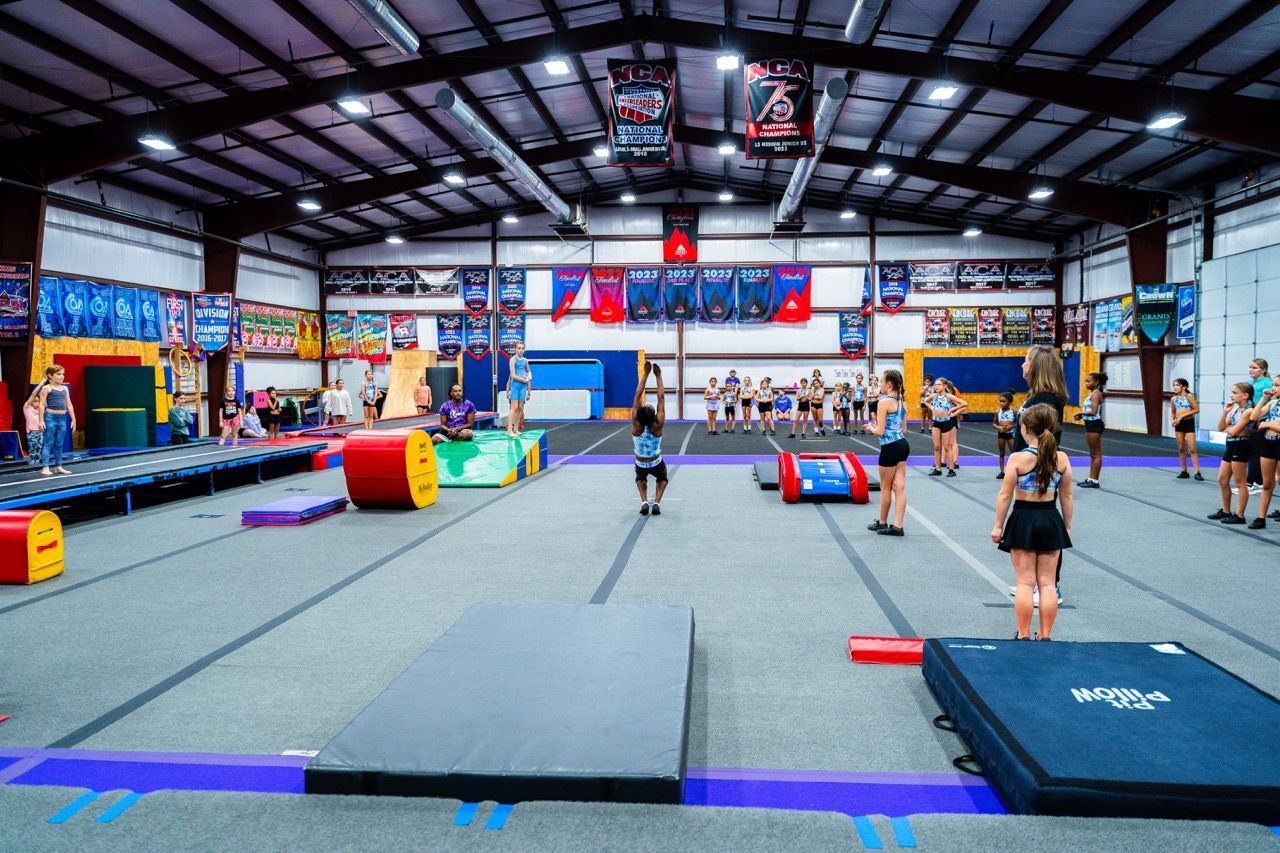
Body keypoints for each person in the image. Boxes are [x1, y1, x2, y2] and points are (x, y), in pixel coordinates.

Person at [992, 404, 1073, 641]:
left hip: (1024, 518)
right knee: (1048, 584)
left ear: (1024, 429)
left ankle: (1024, 634)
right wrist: (1066, 526)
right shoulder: (1062, 459)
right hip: (1050, 518)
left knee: (1025, 583)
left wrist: (998, 525)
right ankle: (1045, 634)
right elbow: (1067, 496)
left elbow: (1005, 494)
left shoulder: (1018, 458)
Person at [1013, 346, 1069, 603]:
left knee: (1042, 522)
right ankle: (1032, 581)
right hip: (1027, 465)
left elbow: (1046, 438)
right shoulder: (1035, 395)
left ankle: (1049, 584)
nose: (1022, 365)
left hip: (1039, 467)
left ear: (1036, 366)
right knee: (1029, 523)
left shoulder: (1046, 398)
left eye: (1025, 360)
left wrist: (1031, 465)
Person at [867, 369, 909, 537]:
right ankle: (898, 525)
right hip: (902, 445)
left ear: (889, 384)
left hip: (890, 446)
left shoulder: (884, 402)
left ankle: (882, 522)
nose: (880, 385)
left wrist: (870, 427)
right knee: (900, 487)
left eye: (882, 382)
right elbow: (904, 429)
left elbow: (879, 431)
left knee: (885, 488)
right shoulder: (902, 402)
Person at [1209, 382, 1256, 525]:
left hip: (1241, 445)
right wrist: (1225, 412)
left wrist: (1229, 427)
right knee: (1222, 480)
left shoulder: (1249, 411)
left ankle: (1240, 515)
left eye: (1235, 393)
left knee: (1240, 482)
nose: (1232, 395)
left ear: (1245, 395)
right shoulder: (1235, 410)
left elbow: (1234, 431)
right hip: (1230, 445)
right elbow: (1220, 427)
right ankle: (1226, 510)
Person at [632, 362, 668, 515]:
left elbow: (637, 395)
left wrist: (645, 374)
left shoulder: (636, 423)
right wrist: (658, 376)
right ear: (653, 415)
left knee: (640, 479)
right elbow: (661, 398)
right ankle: (657, 503)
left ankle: (644, 501)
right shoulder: (658, 424)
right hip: (656, 461)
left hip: (640, 462)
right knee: (663, 479)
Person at [1247, 374, 1280, 529]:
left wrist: (1268, 424)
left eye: (1277, 385)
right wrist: (1263, 399)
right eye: (1274, 384)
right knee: (1267, 483)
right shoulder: (1273, 403)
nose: (1273, 388)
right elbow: (1254, 416)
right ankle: (1261, 518)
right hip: (1268, 444)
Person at [37, 365, 76, 476]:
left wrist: (73, 419)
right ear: (50, 375)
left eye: (62, 374)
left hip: (62, 419)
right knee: (48, 443)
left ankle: (59, 466)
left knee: (59, 444)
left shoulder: (65, 389)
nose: (61, 376)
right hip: (50, 418)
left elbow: (69, 404)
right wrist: (41, 421)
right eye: (58, 374)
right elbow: (41, 405)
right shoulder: (47, 388)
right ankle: (45, 467)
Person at [926, 378, 967, 477]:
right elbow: (926, 401)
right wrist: (932, 408)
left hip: (946, 422)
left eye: (939, 384)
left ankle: (951, 470)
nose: (936, 386)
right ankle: (938, 468)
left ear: (944, 386)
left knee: (947, 446)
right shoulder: (933, 396)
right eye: (935, 385)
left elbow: (964, 403)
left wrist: (953, 409)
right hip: (936, 422)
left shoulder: (948, 396)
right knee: (936, 447)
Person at [1074, 372, 1107, 488]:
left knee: (1096, 454)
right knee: (1093, 454)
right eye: (1085, 381)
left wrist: (1081, 412)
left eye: (1089, 381)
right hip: (1090, 424)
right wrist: (1082, 416)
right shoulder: (1093, 394)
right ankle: (1091, 478)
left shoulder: (1096, 394)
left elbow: (1093, 411)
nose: (1086, 383)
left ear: (1096, 382)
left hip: (1094, 425)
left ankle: (1094, 480)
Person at [1245, 358, 1272, 495]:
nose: (1251, 369)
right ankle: (1256, 482)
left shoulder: (1268, 383)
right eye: (1250, 367)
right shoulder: (1250, 383)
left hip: (1262, 419)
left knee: (1257, 452)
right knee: (1252, 451)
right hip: (1251, 419)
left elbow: (1271, 402)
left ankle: (1253, 482)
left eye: (1254, 367)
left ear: (1263, 370)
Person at [1170, 378, 1202, 480]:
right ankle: (1184, 470)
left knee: (1192, 448)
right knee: (1181, 448)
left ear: (1184, 387)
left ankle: (1197, 472)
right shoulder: (1173, 399)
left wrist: (1183, 416)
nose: (1175, 387)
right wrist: (1173, 420)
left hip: (1188, 423)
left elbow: (1196, 409)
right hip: (1179, 424)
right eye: (1174, 385)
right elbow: (1173, 412)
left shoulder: (1189, 396)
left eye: (1177, 385)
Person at [506, 342, 531, 437]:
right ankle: (509, 430)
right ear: (515, 349)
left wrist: (529, 378)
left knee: (520, 408)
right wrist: (524, 380)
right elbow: (513, 376)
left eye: (522, 348)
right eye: (519, 348)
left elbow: (528, 371)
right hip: (516, 385)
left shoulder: (525, 360)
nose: (521, 350)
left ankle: (516, 428)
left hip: (523, 387)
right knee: (514, 408)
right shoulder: (513, 359)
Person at [994, 391, 1016, 478]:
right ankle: (1002, 472)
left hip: (1010, 434)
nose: (1001, 403)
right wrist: (998, 427)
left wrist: (1010, 427)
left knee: (1014, 453)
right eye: (1000, 401)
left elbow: (1017, 423)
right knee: (1001, 453)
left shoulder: (1013, 411)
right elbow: (994, 423)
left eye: (1004, 401)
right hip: (1001, 434)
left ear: (1010, 402)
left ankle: (1014, 471)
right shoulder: (997, 411)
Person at [22, 382, 46, 464]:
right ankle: (31, 466)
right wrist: (41, 384)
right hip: (32, 433)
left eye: (38, 401)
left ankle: (37, 466)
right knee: (32, 452)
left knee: (38, 452)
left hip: (40, 432)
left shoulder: (40, 410)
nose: (38, 403)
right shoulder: (27, 408)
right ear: (30, 402)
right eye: (35, 401)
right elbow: (33, 394)